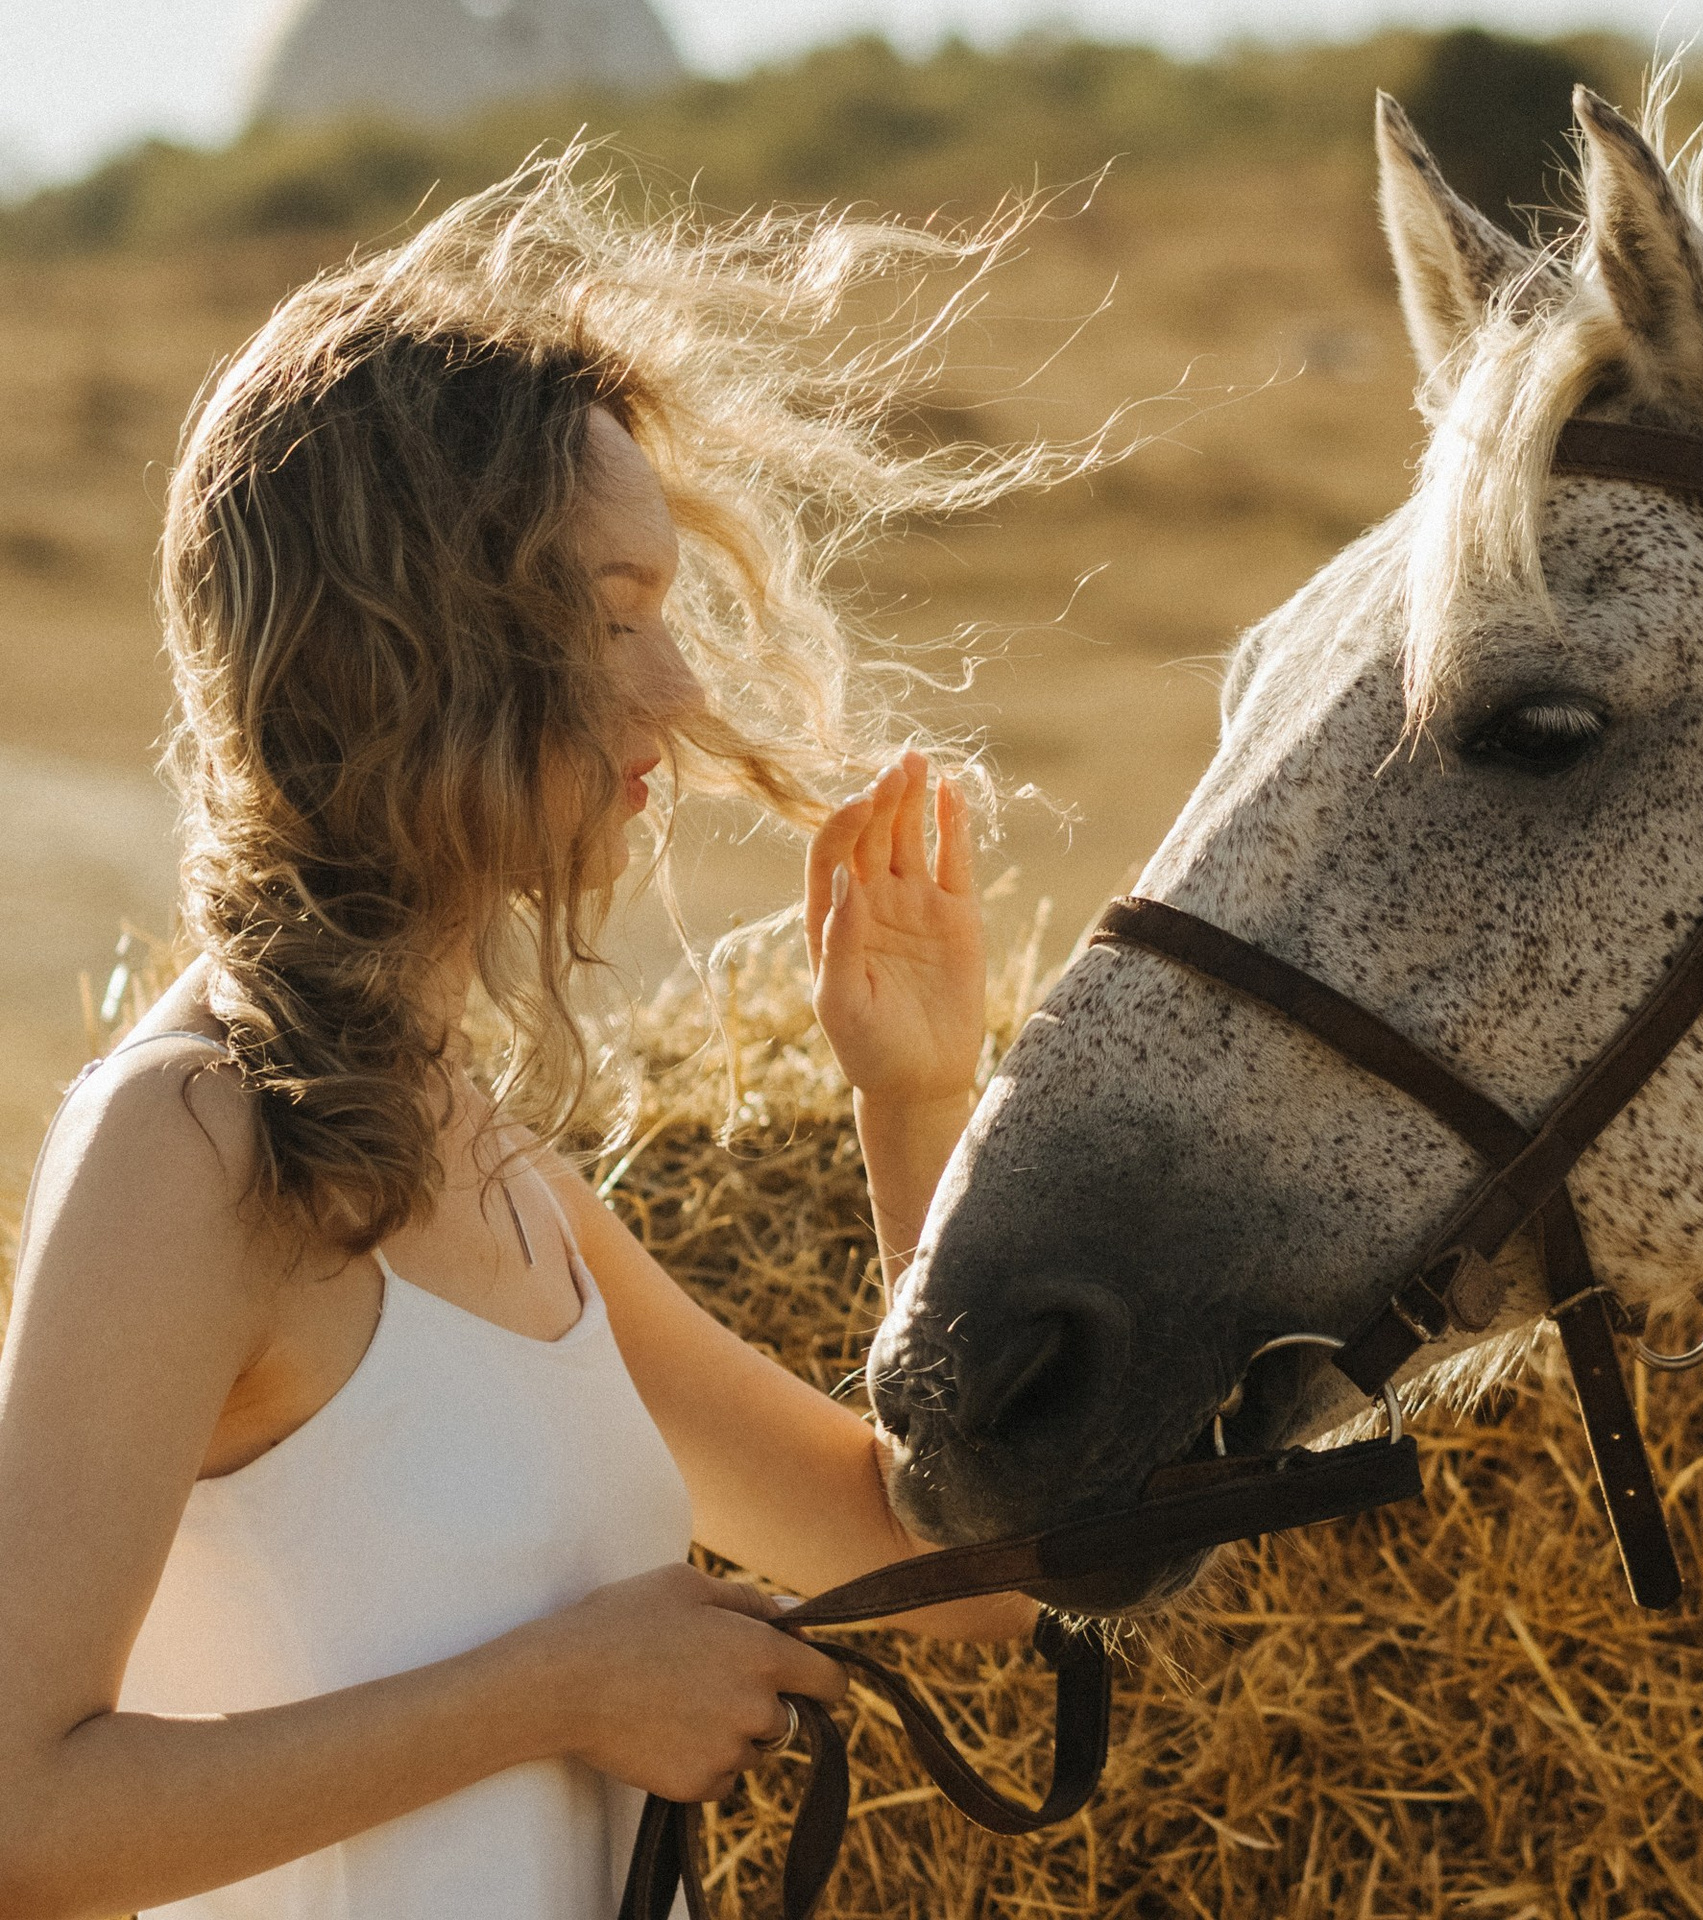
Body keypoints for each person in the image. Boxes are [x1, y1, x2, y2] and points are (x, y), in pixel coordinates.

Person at [0, 155, 1041, 1920]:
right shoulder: (191, 1140)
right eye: (616, 616)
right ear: (418, 642)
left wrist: (913, 1102)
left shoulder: (496, 1169)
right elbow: (19, 1816)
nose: (682, 691)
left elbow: (958, 1572)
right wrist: (554, 1693)